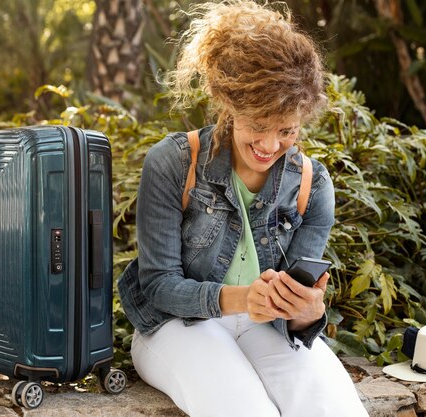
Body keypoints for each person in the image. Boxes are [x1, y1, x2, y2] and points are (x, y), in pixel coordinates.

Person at [117, 1, 368, 416]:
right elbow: (159, 287)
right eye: (258, 126)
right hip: (177, 326)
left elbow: (298, 312)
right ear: (228, 104)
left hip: (266, 329)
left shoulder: (312, 184)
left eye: (286, 130)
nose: (270, 146)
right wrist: (241, 299)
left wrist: (309, 312)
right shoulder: (174, 163)